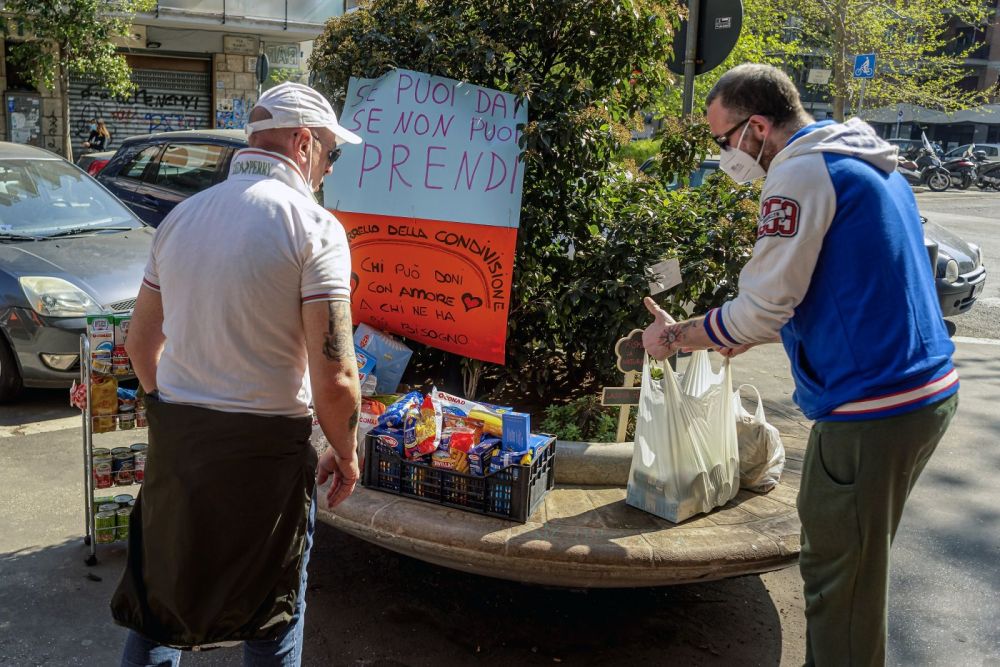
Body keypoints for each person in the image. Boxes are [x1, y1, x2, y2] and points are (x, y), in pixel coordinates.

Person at [641, 64, 958, 665]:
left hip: (873, 405)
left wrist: (679, 337)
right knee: (855, 566)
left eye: (722, 141)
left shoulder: (800, 174)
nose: (725, 156)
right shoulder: (864, 160)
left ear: (757, 127)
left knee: (839, 581)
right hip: (920, 392)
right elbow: (840, 287)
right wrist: (734, 337)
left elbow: (763, 306)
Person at [113, 82, 363, 666]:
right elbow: (336, 378)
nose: (329, 167)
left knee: (161, 604)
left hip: (182, 442)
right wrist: (346, 453)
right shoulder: (316, 227)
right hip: (267, 451)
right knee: (271, 614)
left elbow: (140, 341)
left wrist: (171, 412)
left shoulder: (181, 218)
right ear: (304, 143)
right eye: (332, 152)